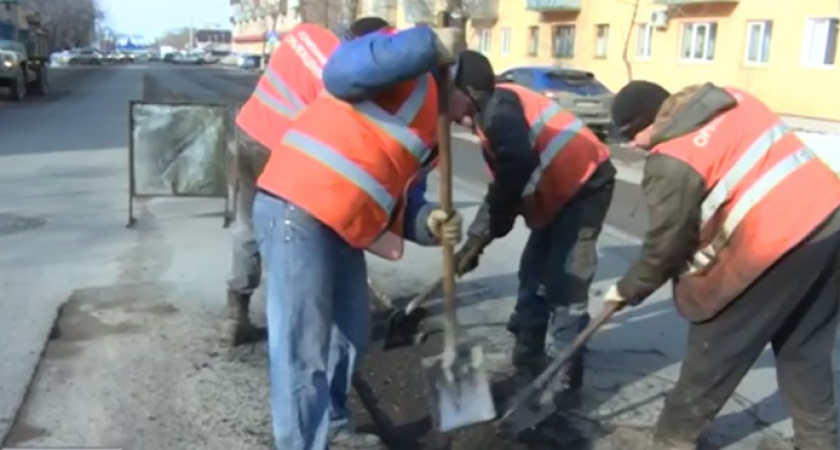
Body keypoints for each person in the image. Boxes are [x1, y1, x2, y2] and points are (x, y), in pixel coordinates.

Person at [252, 25, 467, 450]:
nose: (468, 119)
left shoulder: (432, 133)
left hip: (343, 224)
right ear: (461, 85)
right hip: (298, 207)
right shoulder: (404, 71)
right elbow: (340, 70)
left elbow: (399, 201)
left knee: (349, 335)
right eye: (470, 107)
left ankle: (332, 423)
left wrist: (429, 223)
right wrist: (426, 44)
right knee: (303, 348)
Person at [604, 80, 840, 450]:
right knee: (804, 350)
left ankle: (672, 440)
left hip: (777, 245)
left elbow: (667, 244)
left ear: (648, 120)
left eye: (634, 134)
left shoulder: (673, 159)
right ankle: (819, 442)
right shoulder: (733, 99)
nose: (635, 144)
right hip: (830, 223)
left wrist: (629, 288)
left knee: (714, 345)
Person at [450, 50, 616, 388]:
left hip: (585, 183)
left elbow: (514, 168)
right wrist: (480, 237)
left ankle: (567, 364)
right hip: (554, 192)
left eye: (443, 94)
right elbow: (506, 187)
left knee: (565, 275)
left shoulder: (500, 109)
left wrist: (482, 234)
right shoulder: (489, 113)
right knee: (532, 271)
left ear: (468, 91)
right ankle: (529, 350)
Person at [223, 18, 391, 346]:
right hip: (282, 153)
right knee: (288, 236)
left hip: (245, 136)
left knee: (245, 226)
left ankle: (235, 314)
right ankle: (293, 322)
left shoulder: (303, 34)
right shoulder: (346, 77)